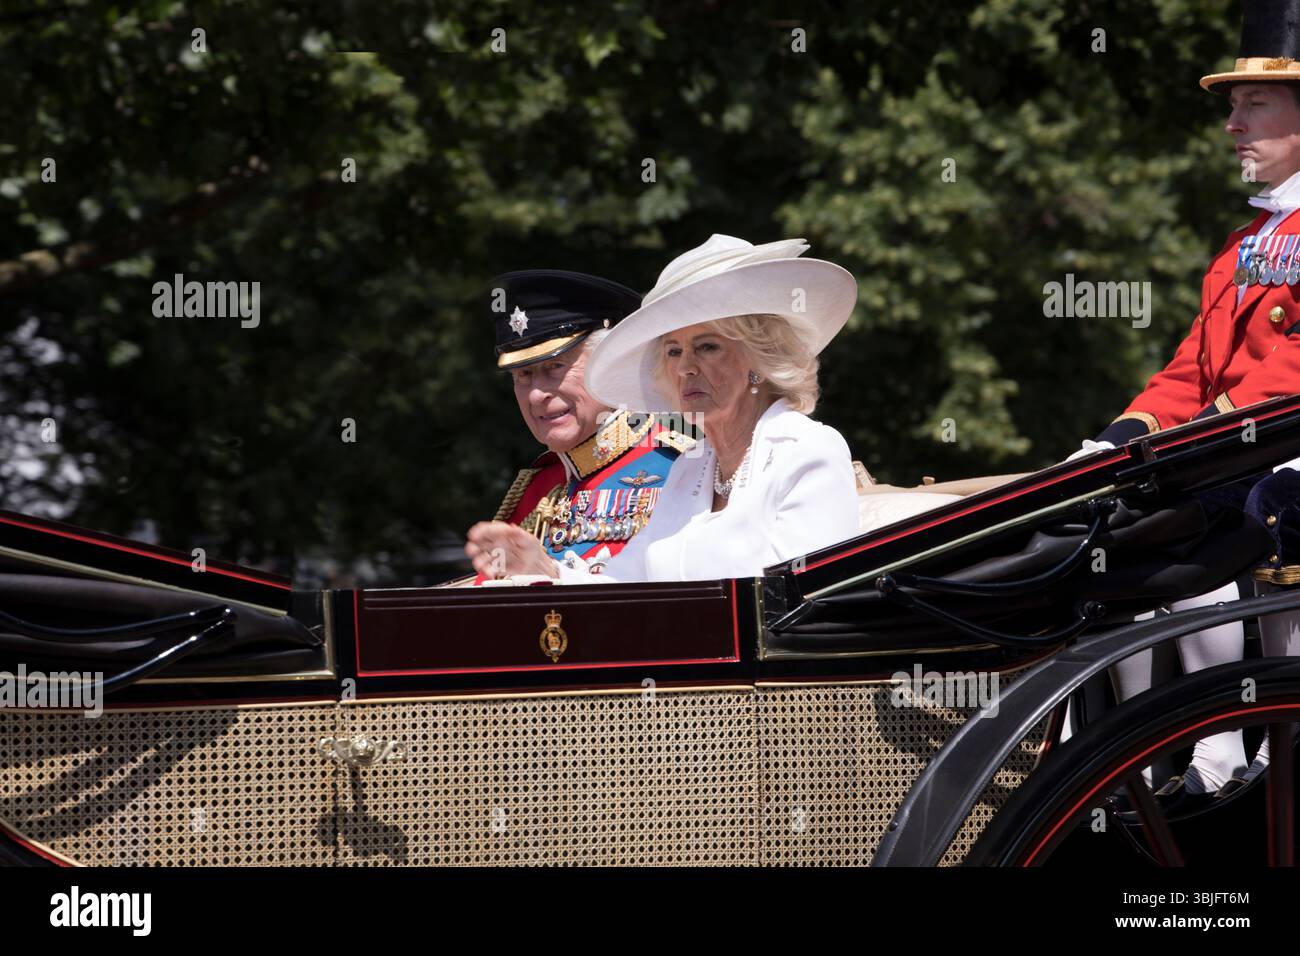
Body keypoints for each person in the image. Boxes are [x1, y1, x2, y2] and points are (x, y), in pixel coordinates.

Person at [1068, 0, 1300, 811]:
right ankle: (1130, 746)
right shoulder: (1243, 248)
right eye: (1233, 105)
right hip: (1243, 443)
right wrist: (1118, 438)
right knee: (1110, 516)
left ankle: (1222, 743)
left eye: (1254, 103)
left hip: (1279, 451)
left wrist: (1202, 438)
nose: (1233, 124)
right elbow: (1187, 374)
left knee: (1208, 509)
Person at [465, 235, 861, 582]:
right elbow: (629, 588)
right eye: (673, 351)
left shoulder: (806, 450)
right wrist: (545, 571)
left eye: (707, 346)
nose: (685, 367)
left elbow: (804, 605)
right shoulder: (692, 467)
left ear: (760, 358)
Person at [465, 270, 693, 583]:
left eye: (555, 367)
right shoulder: (539, 486)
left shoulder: (679, 467)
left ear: (609, 364)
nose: (536, 394)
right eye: (523, 375)